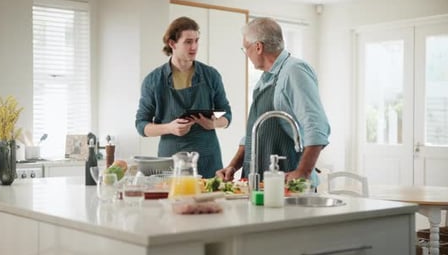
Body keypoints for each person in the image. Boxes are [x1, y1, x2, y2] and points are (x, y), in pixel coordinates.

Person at [215, 17, 330, 187]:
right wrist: (232, 166)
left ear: (258, 47)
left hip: (288, 184)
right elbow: (253, 134)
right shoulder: (264, 80)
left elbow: (317, 126)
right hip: (260, 183)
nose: (246, 54)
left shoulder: (294, 70)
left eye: (245, 48)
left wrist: (303, 172)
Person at [135, 16, 232, 179]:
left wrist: (213, 123)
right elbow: (141, 125)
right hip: (171, 161)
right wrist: (169, 128)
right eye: (188, 42)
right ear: (172, 43)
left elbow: (227, 115)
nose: (194, 47)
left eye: (196, 41)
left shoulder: (211, 75)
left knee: (210, 204)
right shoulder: (153, 81)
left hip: (207, 159)